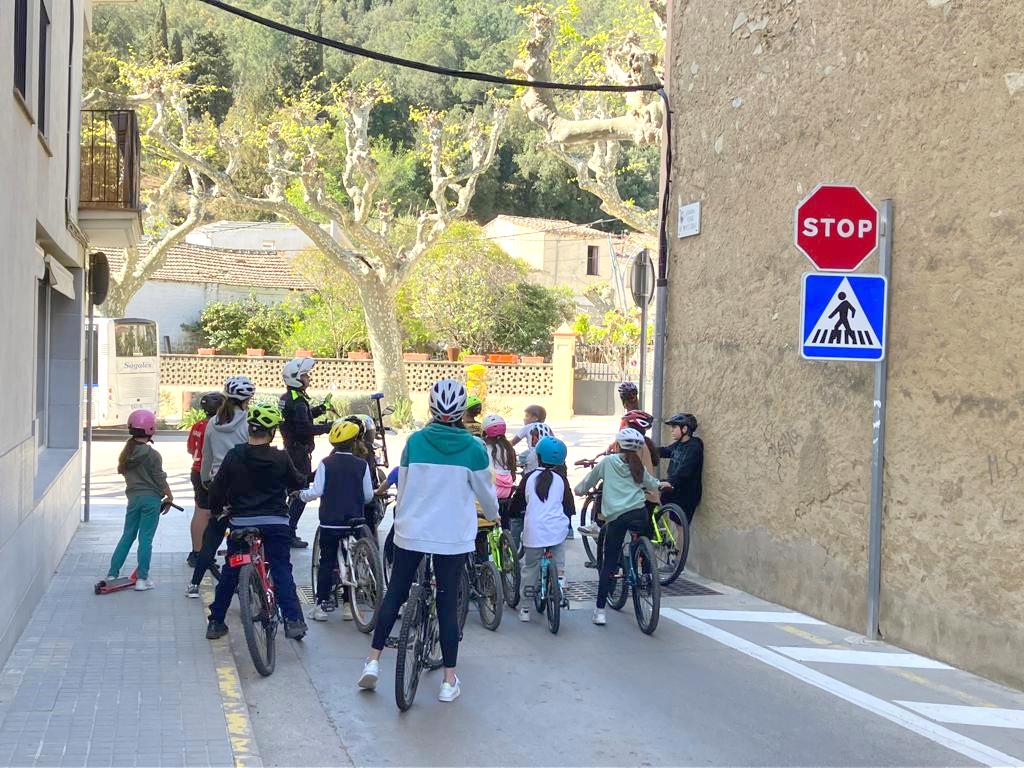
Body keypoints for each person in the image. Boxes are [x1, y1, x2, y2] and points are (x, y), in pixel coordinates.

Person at [358, 379, 499, 703]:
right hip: (452, 538)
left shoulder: (415, 442)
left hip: (412, 531)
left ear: (431, 409)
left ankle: (374, 661)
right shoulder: (475, 449)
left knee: (395, 594)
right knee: (448, 605)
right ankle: (449, 681)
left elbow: (404, 488)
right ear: (462, 412)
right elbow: (487, 498)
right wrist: (494, 515)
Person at [205, 404, 309, 641]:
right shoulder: (281, 457)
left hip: (241, 522)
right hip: (276, 522)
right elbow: (297, 482)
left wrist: (216, 511)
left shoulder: (234, 455)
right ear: (272, 432)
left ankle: (216, 622)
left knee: (231, 570)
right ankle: (293, 621)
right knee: (281, 568)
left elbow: (217, 489)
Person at [575, 428, 671, 626]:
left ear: (618, 445)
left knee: (609, 562)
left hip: (617, 518)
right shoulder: (637, 465)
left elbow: (588, 482)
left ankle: (600, 611)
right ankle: (645, 572)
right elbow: (651, 483)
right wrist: (661, 484)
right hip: (639, 513)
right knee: (642, 543)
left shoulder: (608, 462)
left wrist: (579, 490)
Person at [299, 419, 374, 622]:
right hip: (355, 521)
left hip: (330, 522)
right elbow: (368, 496)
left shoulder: (326, 463)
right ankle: (350, 606)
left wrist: (301, 495)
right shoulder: (362, 464)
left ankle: (321, 605)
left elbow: (317, 491)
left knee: (326, 561)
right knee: (353, 561)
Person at [187, 376, 255, 598]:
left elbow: (206, 456)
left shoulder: (213, 423)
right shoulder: (249, 423)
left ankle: (194, 584)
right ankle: (251, 578)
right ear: (247, 400)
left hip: (218, 483)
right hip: (243, 485)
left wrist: (207, 480)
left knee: (213, 535)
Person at [105, 410, 173, 591]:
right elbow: (159, 478)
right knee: (145, 539)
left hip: (133, 499)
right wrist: (169, 496)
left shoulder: (126, 453)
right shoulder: (153, 454)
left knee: (127, 535)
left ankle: (112, 573)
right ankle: (142, 579)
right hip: (151, 501)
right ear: (151, 429)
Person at [509, 437, 574, 622]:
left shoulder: (529, 478)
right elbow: (568, 505)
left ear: (537, 457)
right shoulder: (561, 480)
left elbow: (518, 501)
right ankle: (560, 581)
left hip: (534, 532)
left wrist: (514, 513)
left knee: (530, 568)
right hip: (557, 530)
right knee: (559, 563)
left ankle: (526, 609)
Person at [581, 409, 660, 537]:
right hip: (651, 495)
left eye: (626, 424)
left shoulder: (633, 446)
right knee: (641, 535)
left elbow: (620, 462)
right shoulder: (645, 443)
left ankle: (599, 524)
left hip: (638, 497)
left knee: (604, 488)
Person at [280, 358, 332, 548]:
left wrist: (321, 409)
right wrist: (329, 427)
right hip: (298, 452)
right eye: (305, 375)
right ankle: (290, 531)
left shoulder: (288, 398)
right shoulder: (298, 401)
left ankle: (286, 529)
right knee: (299, 491)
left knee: (292, 489)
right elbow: (304, 428)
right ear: (295, 378)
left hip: (291, 450)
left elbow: (300, 420)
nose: (308, 378)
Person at [186, 392, 224, 569]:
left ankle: (196, 552)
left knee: (199, 512)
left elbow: (190, 449)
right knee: (209, 514)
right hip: (211, 472)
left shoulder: (197, 425)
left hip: (196, 469)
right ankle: (203, 554)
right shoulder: (217, 426)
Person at [482, 415, 520, 547]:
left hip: (492, 490)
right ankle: (506, 539)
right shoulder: (508, 448)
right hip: (507, 491)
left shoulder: (484, 447)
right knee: (505, 517)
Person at [659, 413, 704, 524]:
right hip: (674, 490)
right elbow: (665, 451)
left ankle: (679, 541)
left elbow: (685, 470)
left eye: (674, 427)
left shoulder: (694, 447)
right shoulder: (679, 444)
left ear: (684, 429)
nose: (671, 430)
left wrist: (670, 482)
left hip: (686, 494)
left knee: (681, 527)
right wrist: (647, 448)